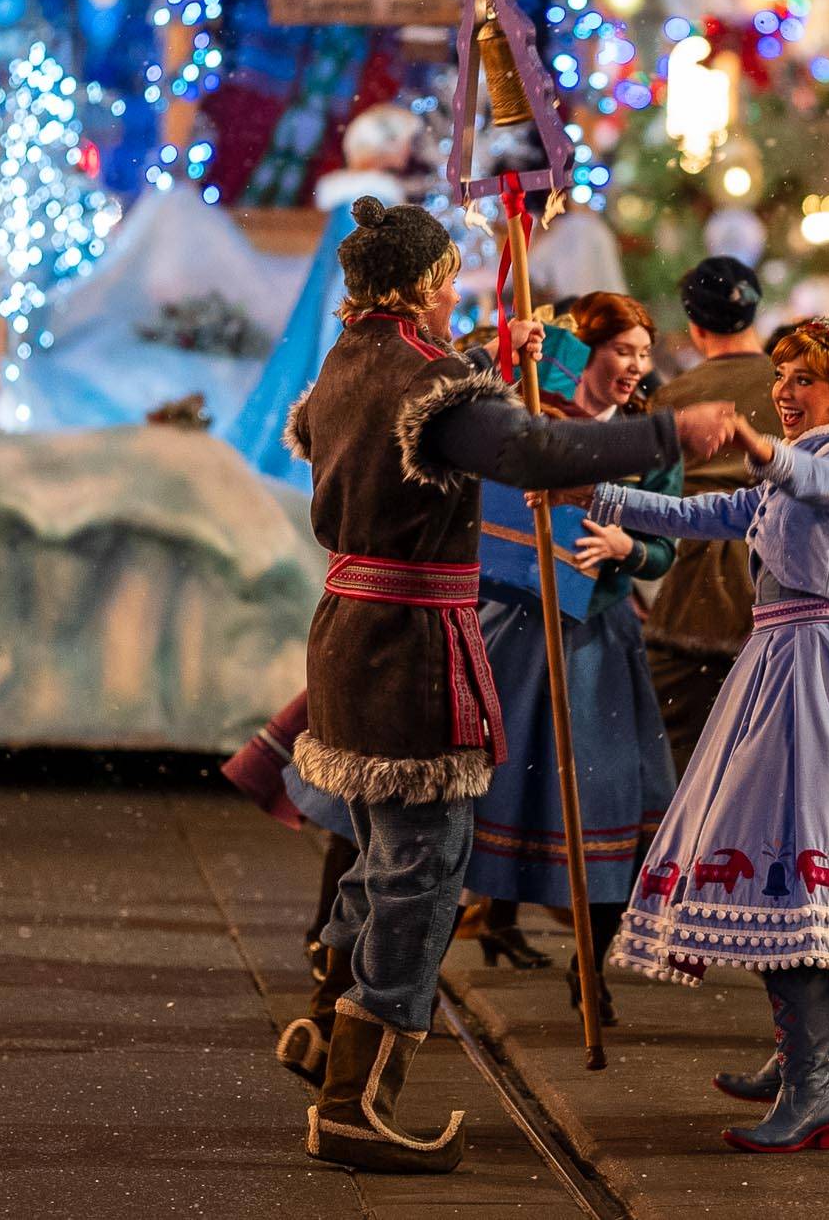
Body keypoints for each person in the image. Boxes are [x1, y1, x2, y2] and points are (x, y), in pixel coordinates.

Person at [277, 198, 729, 1176]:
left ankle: (327, 1029)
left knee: (377, 857)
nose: (453, 297)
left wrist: (481, 367)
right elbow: (525, 453)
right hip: (412, 646)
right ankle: (356, 1098)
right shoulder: (426, 379)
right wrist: (665, 436)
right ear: (426, 288)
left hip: (349, 636)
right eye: (446, 283)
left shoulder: (350, 361)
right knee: (423, 875)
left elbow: (387, 440)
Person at [578, 319, 829, 1154]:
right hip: (776, 661)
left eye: (801, 379)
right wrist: (600, 494)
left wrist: (760, 444)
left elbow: (818, 482)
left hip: (817, 671)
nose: (785, 391)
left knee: (792, 866)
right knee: (770, 872)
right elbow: (707, 512)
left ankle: (811, 1078)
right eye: (781, 377)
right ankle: (806, 1061)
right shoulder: (789, 472)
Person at [463, 291, 681, 1013]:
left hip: (598, 641)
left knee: (600, 797)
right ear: (586, 352)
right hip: (516, 627)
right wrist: (505, 356)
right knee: (498, 785)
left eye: (644, 355)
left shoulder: (651, 437)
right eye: (623, 351)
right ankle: (472, 923)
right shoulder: (532, 408)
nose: (635, 367)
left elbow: (665, 548)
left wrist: (629, 547)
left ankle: (589, 972)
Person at [643, 257, 784, 768]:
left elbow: (647, 501)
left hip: (690, 593)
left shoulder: (673, 398)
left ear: (696, 327)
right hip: (779, 584)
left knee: (683, 763)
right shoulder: (792, 390)